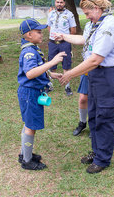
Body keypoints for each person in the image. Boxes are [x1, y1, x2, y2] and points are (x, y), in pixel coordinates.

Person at [54, 0, 114, 174]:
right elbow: (83, 40)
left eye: (87, 13)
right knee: (93, 116)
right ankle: (97, 151)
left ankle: (103, 159)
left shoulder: (109, 26)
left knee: (105, 118)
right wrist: (64, 36)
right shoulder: (94, 24)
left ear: (97, 8)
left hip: (107, 76)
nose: (86, 16)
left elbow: (95, 59)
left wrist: (70, 73)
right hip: (95, 75)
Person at [17, 18, 66, 170]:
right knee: (30, 126)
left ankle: (25, 153)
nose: (41, 34)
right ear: (29, 34)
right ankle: (27, 161)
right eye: (38, 32)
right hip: (30, 93)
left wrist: (50, 74)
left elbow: (38, 68)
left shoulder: (33, 49)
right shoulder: (29, 52)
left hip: (32, 92)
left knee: (28, 124)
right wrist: (52, 62)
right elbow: (31, 73)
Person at [47, 0, 77, 96]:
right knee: (51, 64)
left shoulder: (69, 14)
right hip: (52, 43)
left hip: (64, 44)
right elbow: (49, 27)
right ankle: (50, 85)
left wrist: (67, 39)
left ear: (64, 3)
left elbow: (73, 30)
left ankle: (67, 87)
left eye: (61, 2)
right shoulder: (51, 14)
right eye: (57, 2)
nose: (59, 4)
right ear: (55, 3)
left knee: (66, 65)